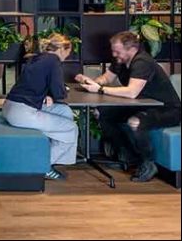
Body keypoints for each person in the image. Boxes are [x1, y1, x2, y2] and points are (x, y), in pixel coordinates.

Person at [75, 31, 181, 182]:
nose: (114, 54)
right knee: (103, 113)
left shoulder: (143, 62)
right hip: (143, 106)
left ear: (132, 49)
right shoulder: (120, 60)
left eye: (117, 51)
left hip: (167, 109)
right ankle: (128, 155)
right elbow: (107, 78)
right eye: (113, 51)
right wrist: (91, 82)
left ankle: (148, 163)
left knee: (135, 122)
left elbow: (132, 92)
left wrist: (100, 89)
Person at [3, 34, 78, 180]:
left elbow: (37, 84)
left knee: (65, 112)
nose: (67, 57)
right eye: (68, 53)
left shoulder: (38, 57)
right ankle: (42, 166)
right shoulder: (54, 60)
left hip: (11, 107)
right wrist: (60, 91)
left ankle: (51, 158)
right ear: (62, 49)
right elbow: (59, 93)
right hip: (22, 112)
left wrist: (48, 94)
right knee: (71, 128)